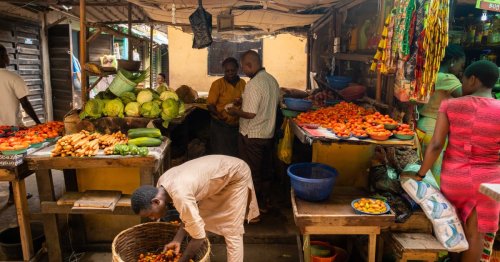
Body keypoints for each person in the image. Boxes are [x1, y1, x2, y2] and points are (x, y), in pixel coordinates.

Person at [403, 60, 500, 262]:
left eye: (463, 79)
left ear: (473, 79)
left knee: (451, 228)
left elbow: (437, 145)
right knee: (476, 235)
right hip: (489, 181)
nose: (462, 84)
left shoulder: (451, 105)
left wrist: (421, 175)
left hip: (455, 177)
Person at [131, 155, 259, 262]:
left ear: (156, 202)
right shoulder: (161, 184)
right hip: (219, 176)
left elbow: (199, 237)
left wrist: (182, 260)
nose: (153, 218)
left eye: (150, 215)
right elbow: (188, 215)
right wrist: (177, 239)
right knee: (200, 218)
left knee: (232, 230)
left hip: (236, 174)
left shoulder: (180, 194)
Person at [227, 50, 279, 213]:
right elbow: (264, 103)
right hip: (267, 134)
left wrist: (234, 112)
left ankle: (253, 210)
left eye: (243, 67)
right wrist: (243, 100)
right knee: (265, 171)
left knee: (252, 172)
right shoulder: (272, 80)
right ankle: (265, 203)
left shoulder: (253, 84)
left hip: (252, 136)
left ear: (249, 65)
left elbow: (250, 114)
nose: (243, 71)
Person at [417, 44, 465, 186]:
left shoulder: (432, 75)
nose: (461, 70)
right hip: (435, 128)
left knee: (424, 166)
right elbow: (467, 98)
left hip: (423, 125)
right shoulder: (448, 78)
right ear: (453, 61)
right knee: (431, 174)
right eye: (461, 66)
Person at [0, 44, 41, 204]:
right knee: (13, 163)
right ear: (3, 57)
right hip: (12, 128)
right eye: (6, 54)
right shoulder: (13, 77)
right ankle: (14, 195)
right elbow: (25, 103)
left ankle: (12, 195)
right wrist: (38, 123)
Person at [207, 57, 246, 156]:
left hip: (237, 126)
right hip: (220, 125)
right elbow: (210, 104)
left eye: (232, 70)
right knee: (221, 153)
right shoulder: (217, 84)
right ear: (224, 71)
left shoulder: (242, 83)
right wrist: (218, 114)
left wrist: (240, 101)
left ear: (237, 69)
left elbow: (246, 99)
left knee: (234, 153)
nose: (230, 73)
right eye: (227, 71)